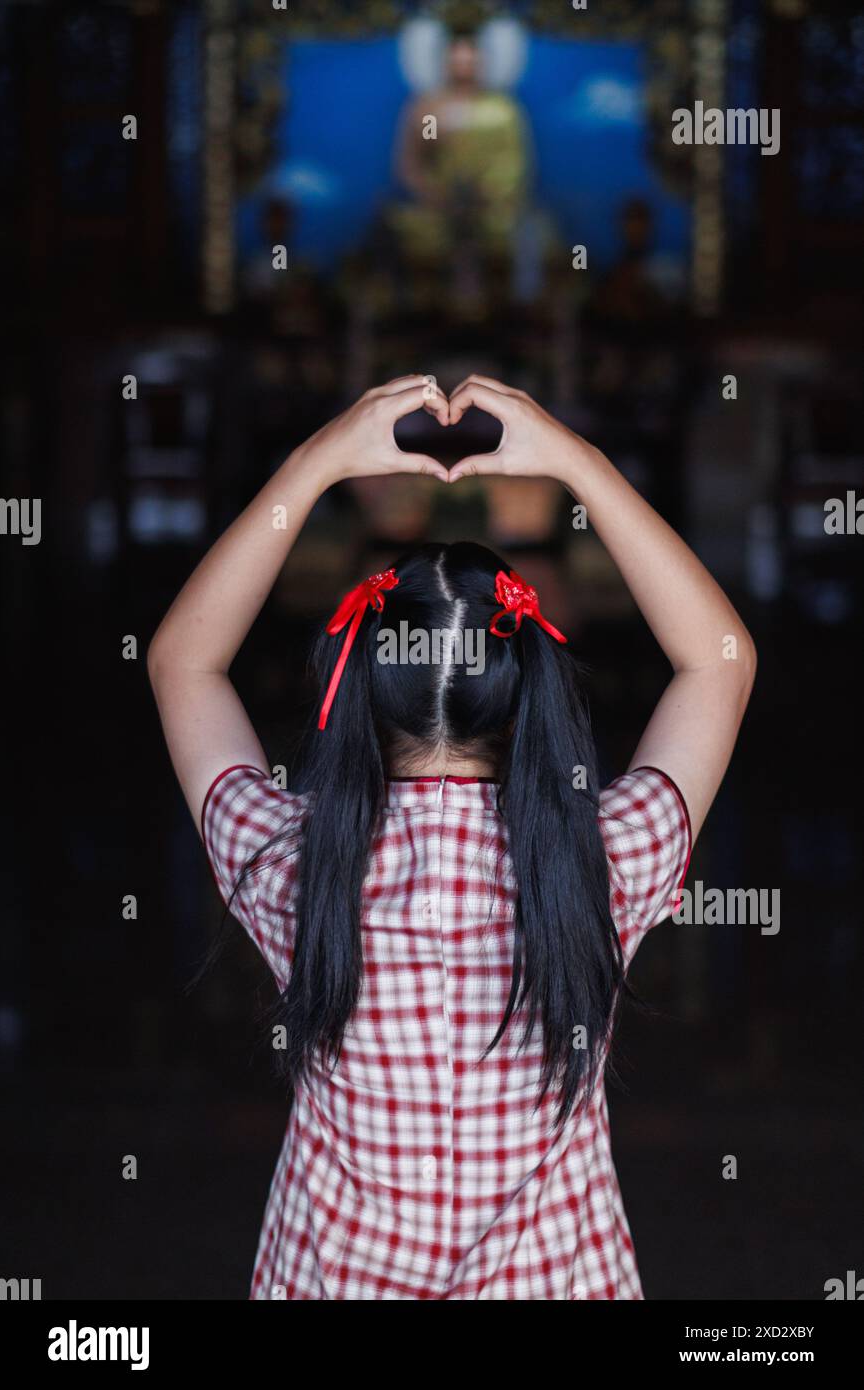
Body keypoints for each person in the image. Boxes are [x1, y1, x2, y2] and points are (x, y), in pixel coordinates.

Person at [148, 374, 756, 1299]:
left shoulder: (288, 868)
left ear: (358, 695)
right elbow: (721, 664)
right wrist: (575, 461)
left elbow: (182, 663)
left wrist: (316, 464)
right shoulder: (602, 864)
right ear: (529, 703)